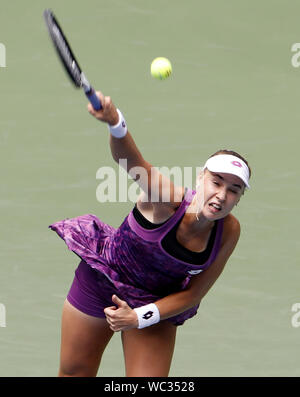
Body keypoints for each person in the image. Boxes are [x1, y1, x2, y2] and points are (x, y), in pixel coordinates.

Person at [49, 91, 251, 377]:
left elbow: (194, 293)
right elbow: (131, 161)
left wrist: (138, 317)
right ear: (200, 178)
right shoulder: (166, 200)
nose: (222, 195)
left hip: (155, 302)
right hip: (101, 281)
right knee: (74, 375)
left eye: (233, 190)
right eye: (217, 182)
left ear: (239, 198)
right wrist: (116, 123)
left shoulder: (229, 231)